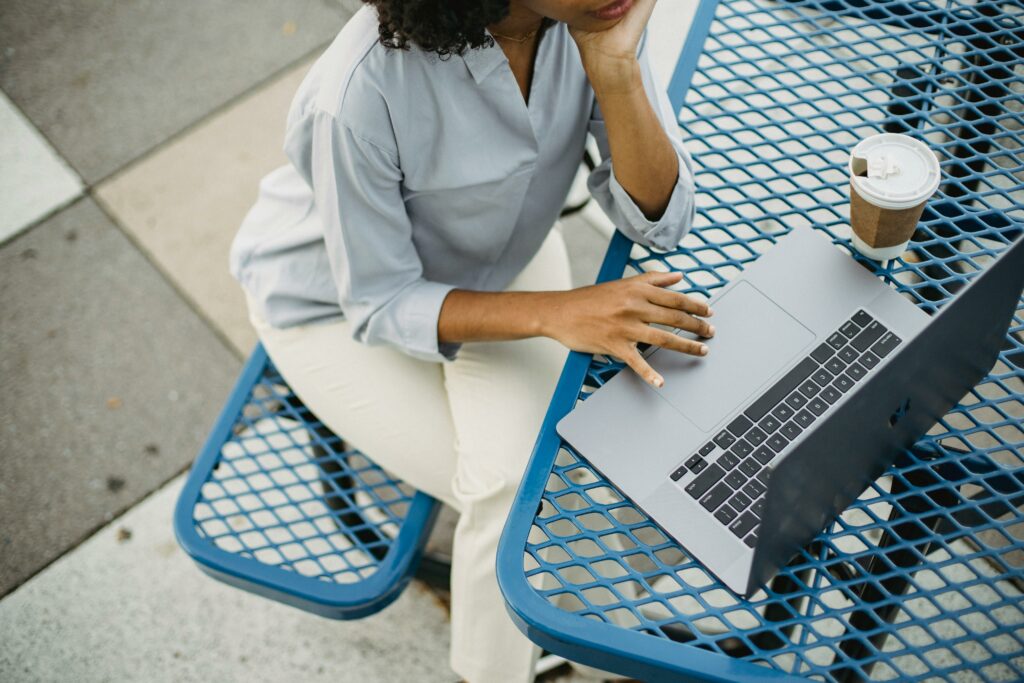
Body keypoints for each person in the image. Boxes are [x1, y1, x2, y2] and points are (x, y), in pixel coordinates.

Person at [229, 0, 712, 680]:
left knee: (549, 482)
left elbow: (661, 221)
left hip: (500, 258)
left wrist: (619, 71)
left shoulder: (597, 19)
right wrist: (555, 312)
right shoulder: (357, 93)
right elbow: (379, 302)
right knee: (519, 490)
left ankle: (597, 647)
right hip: (330, 310)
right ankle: (559, 656)